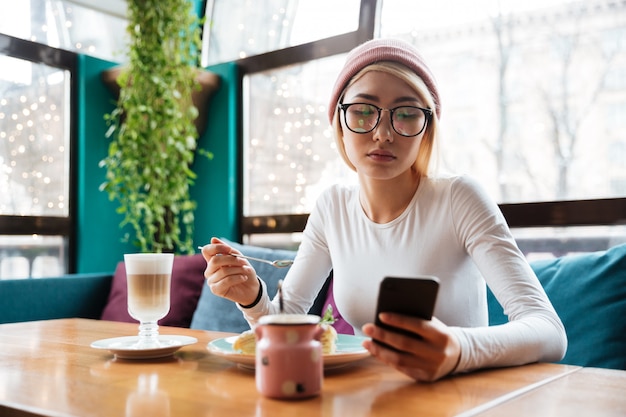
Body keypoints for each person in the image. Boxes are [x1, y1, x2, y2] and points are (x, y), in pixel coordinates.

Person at [200, 38, 567, 382]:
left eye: (405, 113)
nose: (383, 133)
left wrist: (459, 349)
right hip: (368, 397)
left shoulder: (459, 198)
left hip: (455, 396)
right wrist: (251, 296)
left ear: (427, 128)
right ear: (339, 123)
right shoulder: (332, 208)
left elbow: (548, 330)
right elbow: (282, 325)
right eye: (363, 111)